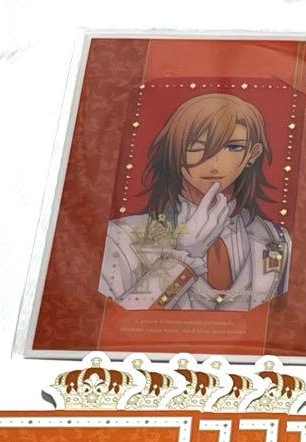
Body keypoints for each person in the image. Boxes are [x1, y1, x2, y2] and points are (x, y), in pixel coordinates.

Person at [99, 93, 290, 312]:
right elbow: (114, 323)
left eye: (233, 147)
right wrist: (185, 255)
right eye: (196, 146)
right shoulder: (120, 237)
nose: (215, 162)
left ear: (252, 154)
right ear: (175, 149)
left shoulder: (277, 239)